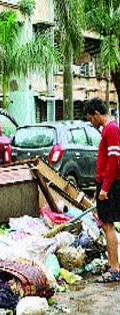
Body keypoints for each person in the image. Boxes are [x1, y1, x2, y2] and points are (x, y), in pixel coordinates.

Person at [85, 98, 120, 282]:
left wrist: (105, 188)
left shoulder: (111, 129)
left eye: (91, 118)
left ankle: (115, 269)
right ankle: (113, 263)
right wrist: (99, 186)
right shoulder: (107, 130)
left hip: (112, 183)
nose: (91, 123)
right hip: (106, 183)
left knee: (108, 225)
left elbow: (114, 159)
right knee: (106, 224)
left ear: (97, 114)